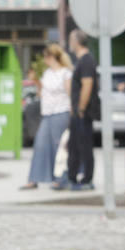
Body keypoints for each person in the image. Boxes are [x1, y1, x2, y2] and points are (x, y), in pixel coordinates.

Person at [26, 43, 72, 190]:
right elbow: (42, 93)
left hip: (61, 112)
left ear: (52, 57)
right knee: (40, 144)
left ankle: (61, 177)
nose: (45, 59)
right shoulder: (48, 73)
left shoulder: (65, 73)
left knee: (59, 146)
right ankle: (34, 178)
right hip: (47, 113)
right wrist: (36, 81)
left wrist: (73, 114)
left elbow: (70, 93)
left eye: (46, 56)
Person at [65, 30, 98, 190]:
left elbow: (87, 84)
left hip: (83, 112)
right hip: (78, 111)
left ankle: (86, 179)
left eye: (71, 39)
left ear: (77, 42)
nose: (69, 43)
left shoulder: (86, 60)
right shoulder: (80, 60)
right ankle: (72, 177)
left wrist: (81, 108)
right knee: (74, 145)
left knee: (84, 145)